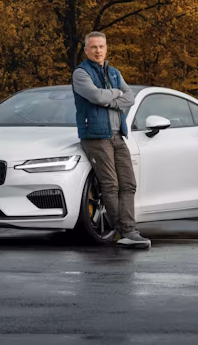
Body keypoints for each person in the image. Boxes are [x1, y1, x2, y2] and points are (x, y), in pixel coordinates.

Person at [72, 31, 150, 249]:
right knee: (111, 184)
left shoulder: (115, 73)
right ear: (86, 50)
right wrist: (116, 96)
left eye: (101, 47)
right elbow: (95, 96)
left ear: (106, 49)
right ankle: (124, 231)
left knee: (128, 184)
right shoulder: (81, 73)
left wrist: (111, 98)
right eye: (93, 47)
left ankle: (129, 230)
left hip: (118, 136)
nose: (98, 50)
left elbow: (130, 98)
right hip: (96, 137)